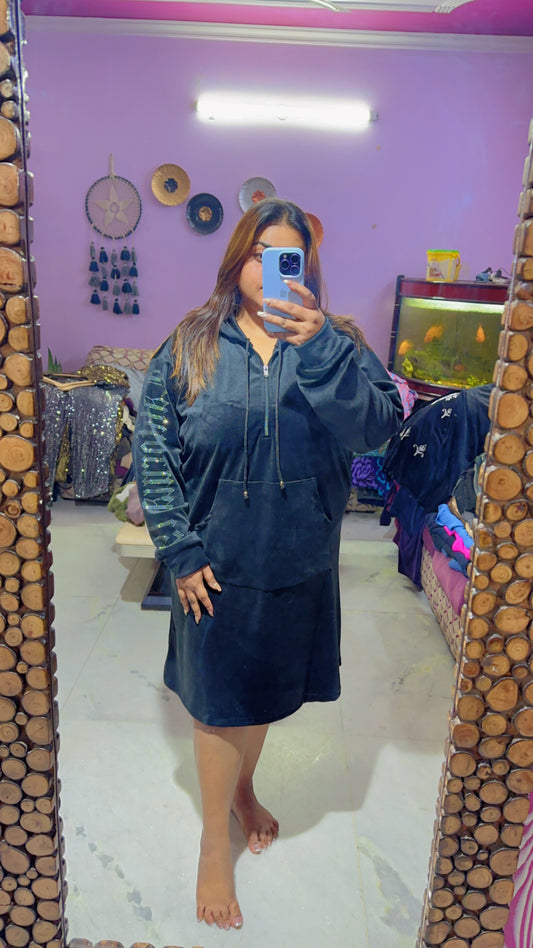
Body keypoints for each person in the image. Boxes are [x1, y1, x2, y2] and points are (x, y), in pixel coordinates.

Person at [132, 198, 403, 931]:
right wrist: (179, 549)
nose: (269, 269)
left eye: (287, 257)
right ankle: (211, 846)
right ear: (236, 259)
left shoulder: (338, 341)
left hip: (297, 561)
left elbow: (377, 430)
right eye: (258, 254)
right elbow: (154, 453)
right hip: (213, 566)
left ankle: (243, 791)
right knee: (218, 704)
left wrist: (320, 350)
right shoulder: (190, 343)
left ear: (305, 268)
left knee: (261, 695)